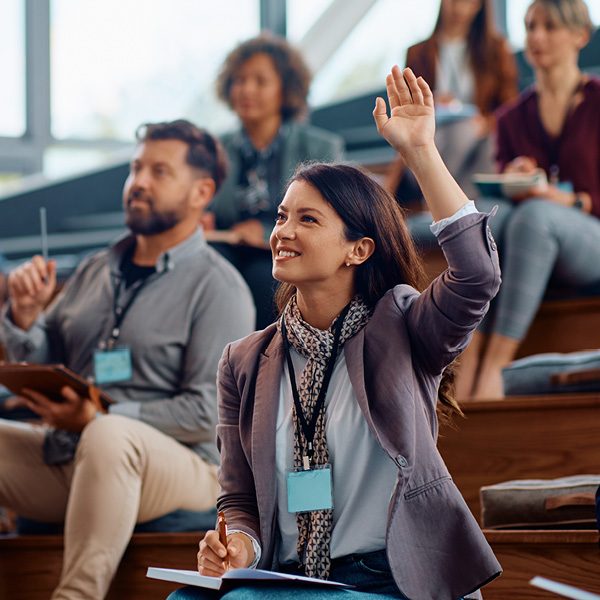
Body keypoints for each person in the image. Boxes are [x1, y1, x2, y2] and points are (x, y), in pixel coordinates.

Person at [167, 67, 501, 600]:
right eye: (282, 216)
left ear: (358, 249)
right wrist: (239, 549)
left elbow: (477, 275)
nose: (284, 231)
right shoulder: (243, 362)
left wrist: (420, 154)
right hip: (289, 575)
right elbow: (240, 501)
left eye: (308, 220)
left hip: (389, 579)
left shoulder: (404, 326)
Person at [0, 119, 255, 600]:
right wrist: (24, 317)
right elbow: (46, 359)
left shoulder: (219, 287)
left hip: (185, 469)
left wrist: (103, 413)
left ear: (202, 191)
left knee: (109, 434)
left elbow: (210, 413)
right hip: (73, 454)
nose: (139, 181)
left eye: (159, 171)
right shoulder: (96, 268)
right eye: (136, 167)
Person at [456, 0, 600, 400]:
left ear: (579, 36)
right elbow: (501, 193)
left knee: (536, 215)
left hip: (589, 236)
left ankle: (495, 368)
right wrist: (511, 178)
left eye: (550, 27)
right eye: (531, 25)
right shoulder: (510, 118)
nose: (536, 36)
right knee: (495, 222)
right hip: (530, 237)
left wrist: (569, 201)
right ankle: (470, 357)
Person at [205, 33, 344, 330]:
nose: (245, 90)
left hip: (289, 249)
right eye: (239, 80)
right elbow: (213, 209)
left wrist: (268, 231)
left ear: (286, 89)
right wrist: (203, 218)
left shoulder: (321, 147)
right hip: (229, 246)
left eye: (259, 81)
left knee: (262, 276)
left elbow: (328, 220)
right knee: (204, 268)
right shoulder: (216, 148)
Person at [386, 0, 518, 204]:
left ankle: (443, 207)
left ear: (479, 6)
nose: (459, 8)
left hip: (478, 137)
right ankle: (457, 211)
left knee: (487, 142)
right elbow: (405, 110)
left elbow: (509, 108)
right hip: (431, 134)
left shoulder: (496, 50)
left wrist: (487, 122)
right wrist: (431, 103)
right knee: (460, 133)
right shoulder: (418, 53)